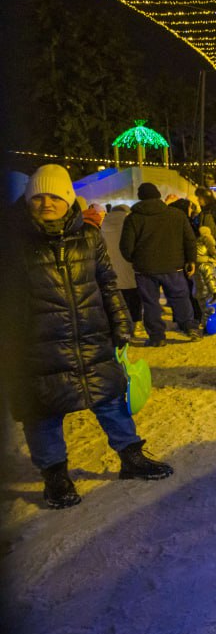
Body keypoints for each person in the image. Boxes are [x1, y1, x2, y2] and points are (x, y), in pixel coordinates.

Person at [12, 165, 173, 509]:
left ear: (68, 199)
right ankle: (55, 476)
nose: (45, 203)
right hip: (38, 345)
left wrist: (121, 323)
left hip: (91, 334)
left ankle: (131, 456)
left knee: (110, 398)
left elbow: (107, 282)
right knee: (42, 412)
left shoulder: (88, 236)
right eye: (38, 197)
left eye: (54, 196)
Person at [120, 182, 199, 347]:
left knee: (150, 303)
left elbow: (126, 247)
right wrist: (191, 260)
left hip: (145, 269)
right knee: (180, 297)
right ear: (158, 195)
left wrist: (136, 260)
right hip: (174, 266)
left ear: (140, 197)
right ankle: (189, 327)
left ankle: (157, 336)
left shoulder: (133, 218)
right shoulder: (176, 215)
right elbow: (190, 240)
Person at [99, 204, 141, 326]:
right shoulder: (130, 223)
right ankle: (136, 321)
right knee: (133, 296)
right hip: (129, 266)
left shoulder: (103, 225)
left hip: (110, 269)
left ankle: (119, 323)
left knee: (116, 299)